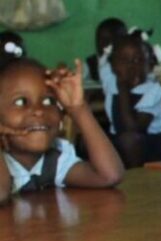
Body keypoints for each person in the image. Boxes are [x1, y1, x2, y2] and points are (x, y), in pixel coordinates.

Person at [0, 58, 123, 202]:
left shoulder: (54, 160)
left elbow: (110, 175)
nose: (39, 111)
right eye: (21, 102)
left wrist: (78, 109)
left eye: (48, 101)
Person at [107, 33, 161, 167]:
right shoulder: (112, 86)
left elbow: (133, 129)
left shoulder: (153, 91)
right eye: (124, 61)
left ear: (150, 65)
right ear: (112, 66)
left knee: (129, 141)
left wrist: (123, 91)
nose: (132, 67)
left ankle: (134, 180)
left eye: (138, 60)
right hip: (121, 141)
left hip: (151, 147)